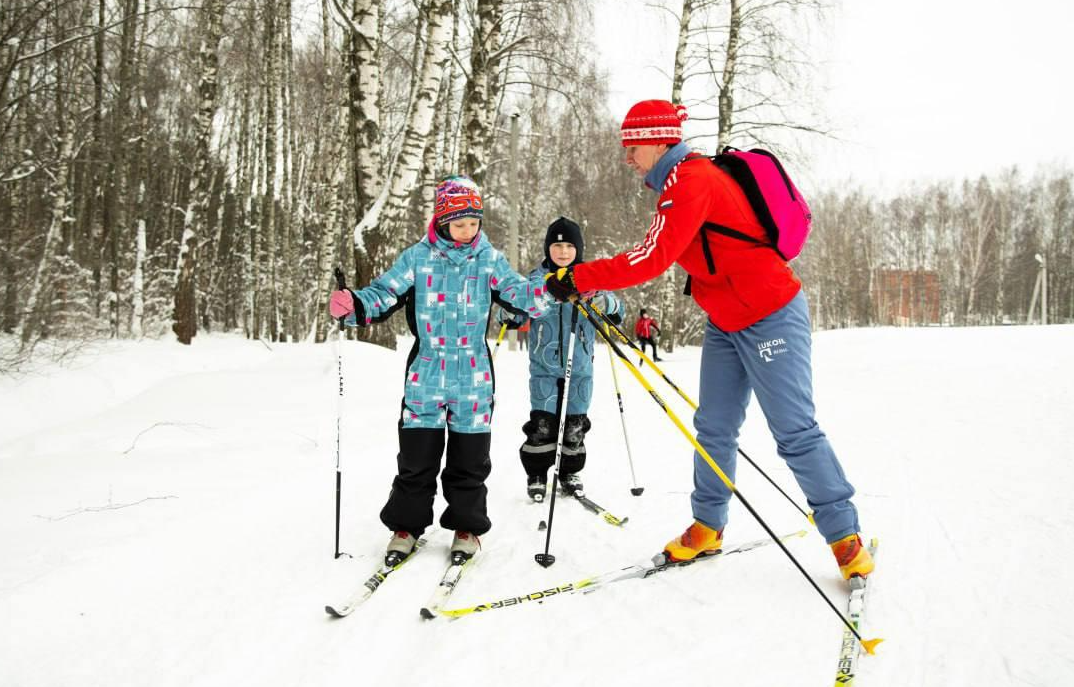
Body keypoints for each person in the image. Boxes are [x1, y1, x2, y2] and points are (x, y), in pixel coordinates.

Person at [542, 100, 874, 581]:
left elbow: (652, 257)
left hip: (770, 314)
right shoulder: (678, 184)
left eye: (631, 147)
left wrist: (580, 276)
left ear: (655, 141)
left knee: (794, 431)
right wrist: (582, 281)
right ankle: (708, 526)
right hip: (725, 320)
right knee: (714, 427)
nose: (627, 158)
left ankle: (845, 537)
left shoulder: (692, 181)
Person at [329, 176, 551, 562]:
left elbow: (519, 293)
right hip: (426, 372)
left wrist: (551, 288)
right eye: (460, 223)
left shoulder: (489, 259)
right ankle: (407, 526)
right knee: (416, 459)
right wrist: (355, 304)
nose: (468, 231)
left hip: (474, 374)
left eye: (474, 223)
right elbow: (385, 292)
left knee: (470, 460)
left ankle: (466, 526)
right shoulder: (417, 257)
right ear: (443, 221)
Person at [500, 217, 621, 501]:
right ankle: (538, 473)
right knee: (543, 425)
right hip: (544, 367)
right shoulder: (535, 280)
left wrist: (605, 303)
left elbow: (617, 309)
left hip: (580, 368)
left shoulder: (591, 279)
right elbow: (516, 309)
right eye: (557, 245)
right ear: (548, 248)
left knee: (575, 427)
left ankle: (569, 472)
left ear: (578, 248)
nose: (563, 252)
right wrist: (509, 313)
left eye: (569, 246)